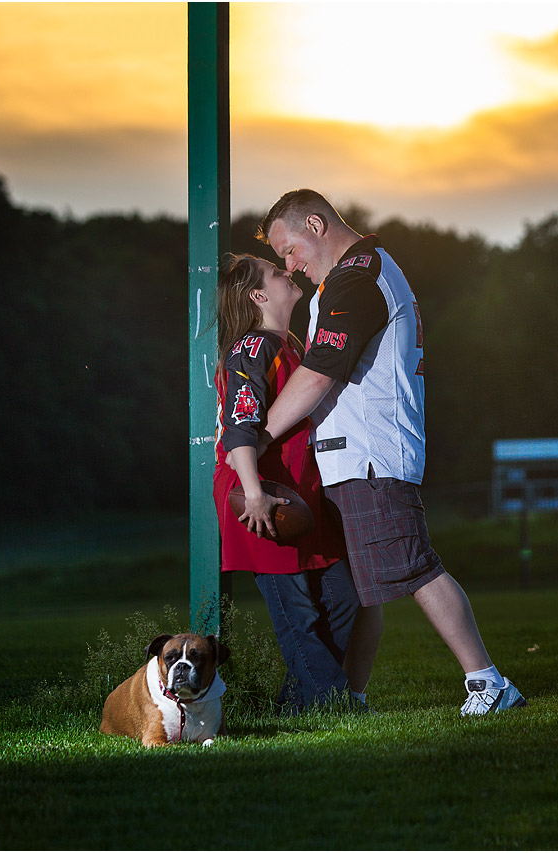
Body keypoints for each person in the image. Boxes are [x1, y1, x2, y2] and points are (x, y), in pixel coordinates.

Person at [252, 189, 525, 715]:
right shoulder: (355, 274)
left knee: (414, 568)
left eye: (290, 250)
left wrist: (259, 434)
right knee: (366, 585)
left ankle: (487, 682)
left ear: (316, 223)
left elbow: (319, 374)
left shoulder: (357, 277)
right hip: (356, 453)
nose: (289, 265)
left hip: (370, 454)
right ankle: (350, 697)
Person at [212, 251, 374, 713]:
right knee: (297, 612)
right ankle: (332, 704)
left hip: (301, 495)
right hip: (260, 495)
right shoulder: (251, 347)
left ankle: (294, 703)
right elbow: (240, 426)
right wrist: (256, 493)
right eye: (277, 272)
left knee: (345, 595)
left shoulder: (294, 346)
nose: (288, 273)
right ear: (258, 295)